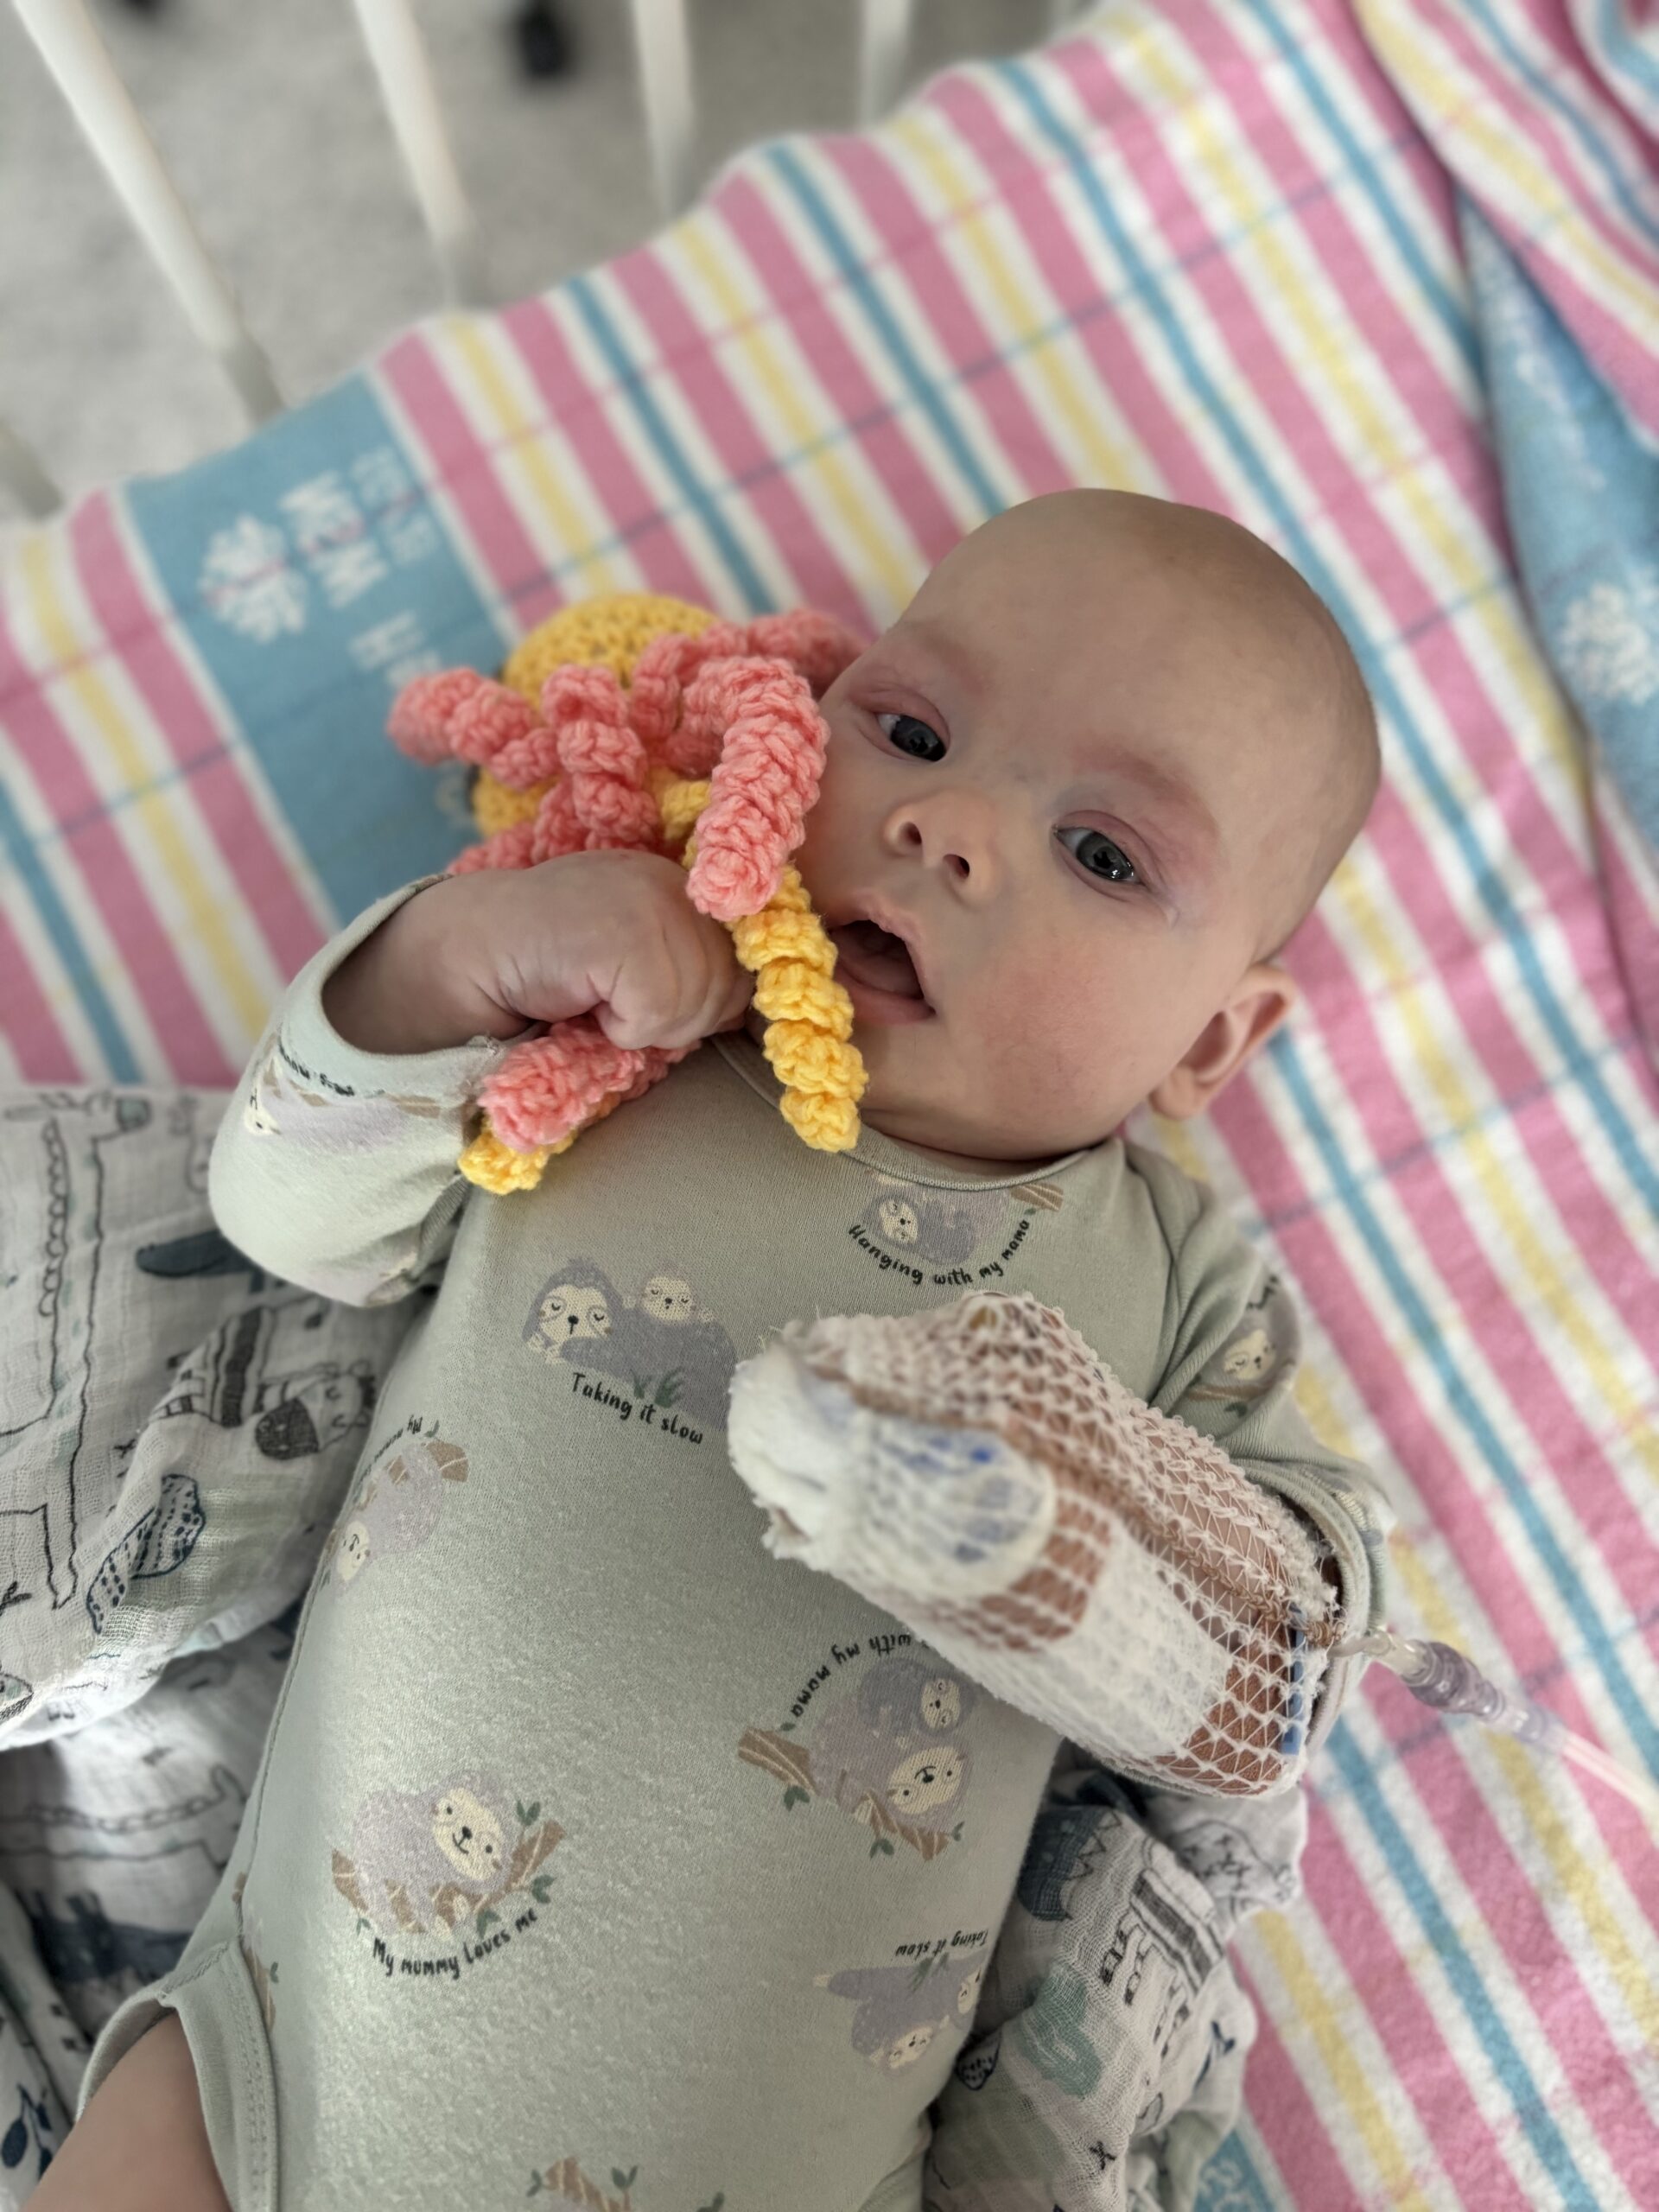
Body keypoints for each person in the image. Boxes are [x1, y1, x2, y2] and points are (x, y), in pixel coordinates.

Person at [41, 490, 1393, 2212]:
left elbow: (1274, 1669)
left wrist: (1043, 1534)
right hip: (271, 2075)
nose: (950, 820)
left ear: (1215, 1035)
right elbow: (291, 1214)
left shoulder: (1167, 1278)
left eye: (1106, 854)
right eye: (907, 727)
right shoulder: (627, 1039)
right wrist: (448, 965)